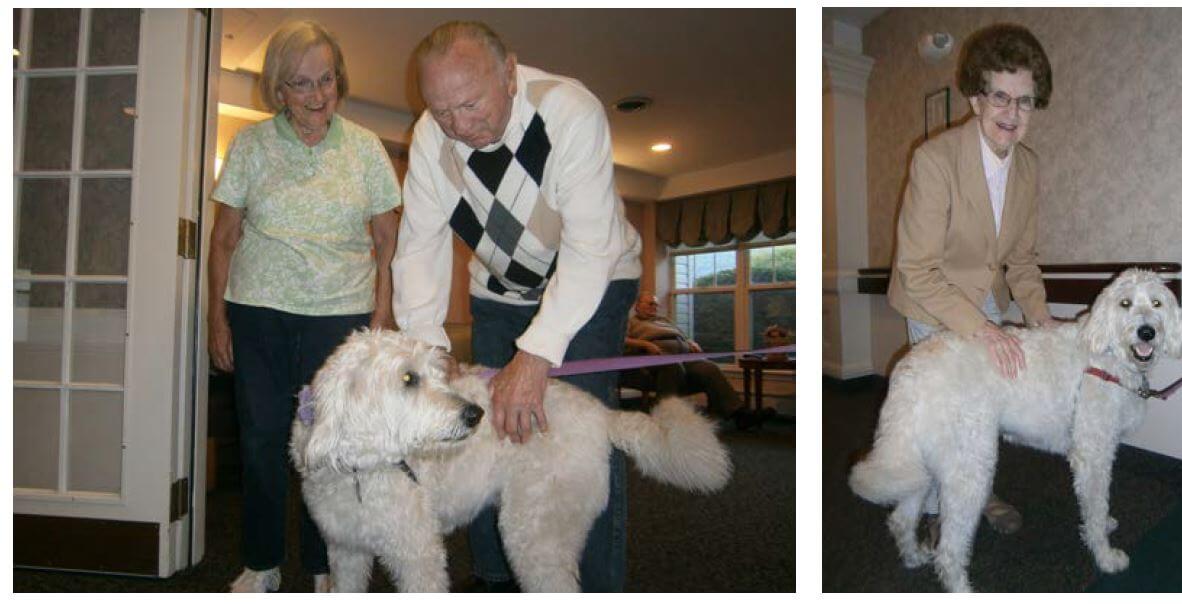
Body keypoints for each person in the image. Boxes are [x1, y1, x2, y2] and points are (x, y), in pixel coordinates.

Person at [391, 21, 642, 592]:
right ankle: (496, 578)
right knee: (483, 428)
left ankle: (598, 584)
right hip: (499, 289)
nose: (458, 125)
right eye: (441, 110)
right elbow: (420, 246)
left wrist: (537, 354)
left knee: (578, 432)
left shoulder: (569, 112)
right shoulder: (433, 137)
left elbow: (589, 248)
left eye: (470, 103)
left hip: (596, 276)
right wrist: (429, 346)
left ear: (509, 74)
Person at [208, 20, 401, 593]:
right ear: (278, 89)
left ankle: (324, 566)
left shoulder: (365, 148)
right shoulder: (250, 146)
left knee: (330, 448)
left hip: (338, 317)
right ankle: (263, 562)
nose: (317, 97)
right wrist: (216, 317)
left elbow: (389, 242)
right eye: (300, 84)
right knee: (263, 439)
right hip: (259, 313)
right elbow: (222, 240)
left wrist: (383, 312)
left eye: (327, 81)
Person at [886, 23, 1058, 540]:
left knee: (986, 405)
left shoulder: (1028, 166)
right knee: (950, 408)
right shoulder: (935, 160)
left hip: (985, 294)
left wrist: (1041, 320)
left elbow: (1022, 261)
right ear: (975, 98)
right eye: (1000, 97)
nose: (1012, 113)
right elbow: (917, 269)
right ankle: (940, 506)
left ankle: (977, 490)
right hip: (931, 298)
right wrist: (983, 329)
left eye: (1025, 101)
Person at [624, 292, 767, 430]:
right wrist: (646, 344)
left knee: (708, 367)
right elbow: (623, 341)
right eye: (650, 304)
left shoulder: (664, 320)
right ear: (637, 305)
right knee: (673, 366)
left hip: (683, 355)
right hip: (655, 356)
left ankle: (739, 414)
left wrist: (691, 342)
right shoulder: (631, 322)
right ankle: (664, 416)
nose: (654, 307)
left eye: (656, 305)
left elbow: (681, 335)